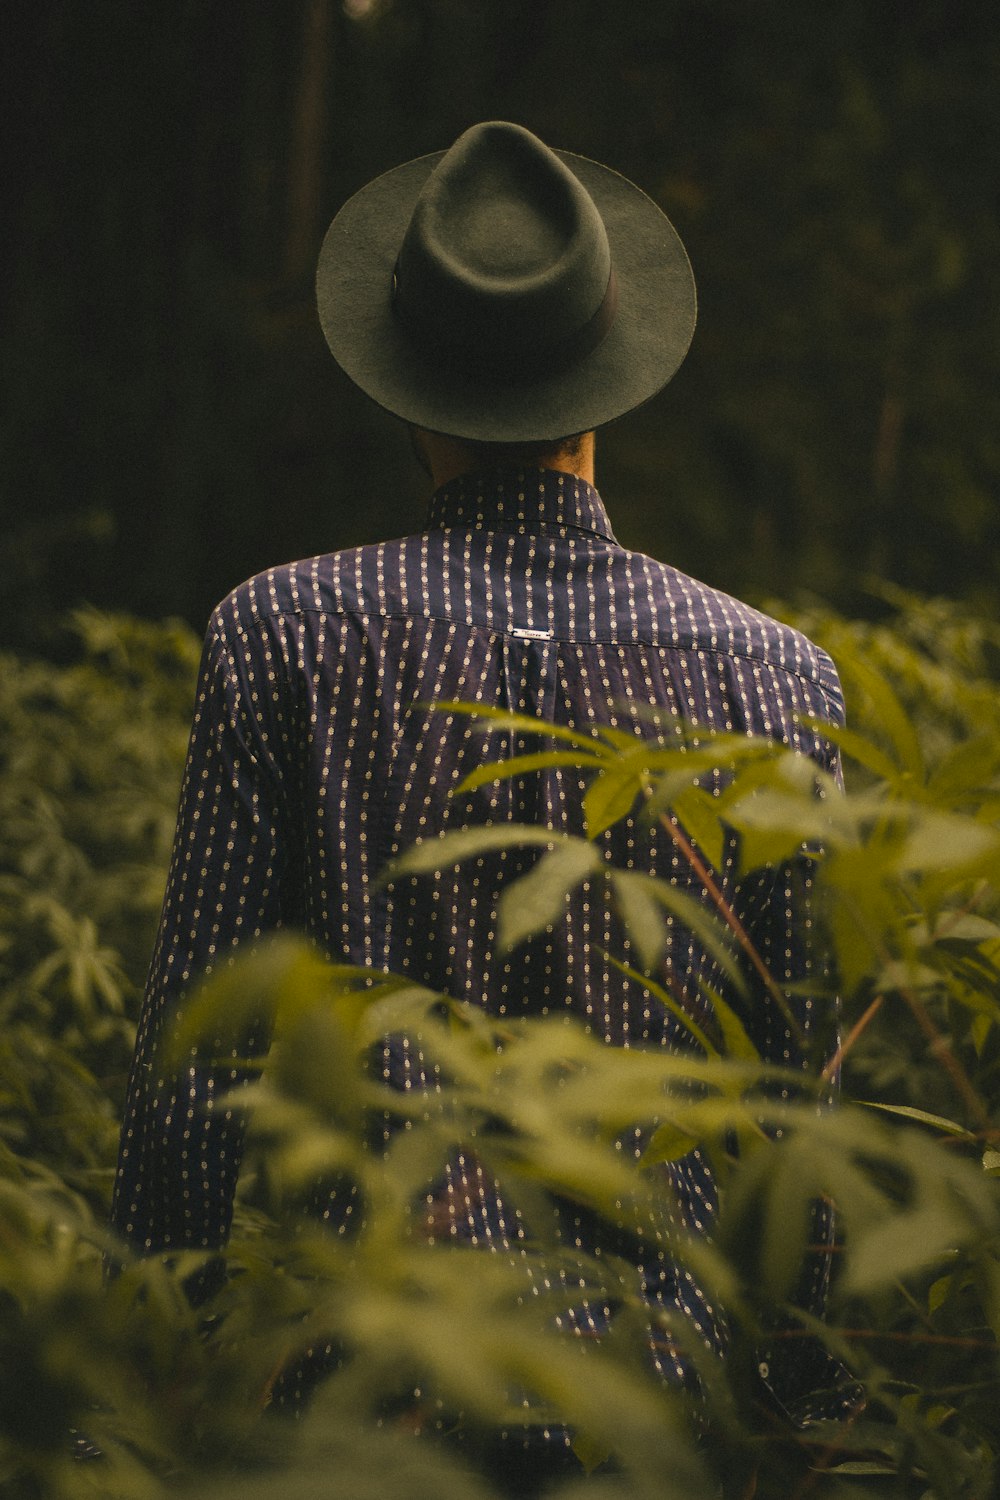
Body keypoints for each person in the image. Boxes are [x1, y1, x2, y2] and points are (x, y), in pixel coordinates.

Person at [112, 121, 856, 1485]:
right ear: (607, 378)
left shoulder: (281, 635)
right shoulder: (779, 679)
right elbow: (799, 1106)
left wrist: (172, 1367)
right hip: (662, 1409)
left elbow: (195, 1068)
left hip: (363, 1405)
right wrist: (786, 1407)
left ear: (404, 385)